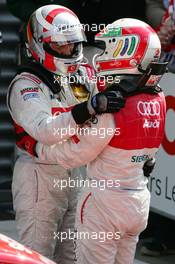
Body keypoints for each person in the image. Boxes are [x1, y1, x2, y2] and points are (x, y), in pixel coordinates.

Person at [35, 18, 167, 263]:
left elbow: (76, 154)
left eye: (108, 48)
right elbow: (150, 158)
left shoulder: (113, 103)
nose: (102, 55)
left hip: (105, 203)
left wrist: (41, 149)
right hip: (138, 200)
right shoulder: (158, 98)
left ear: (124, 49)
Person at [6, 4, 125, 263]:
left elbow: (108, 117)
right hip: (39, 175)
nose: (69, 51)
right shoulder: (26, 83)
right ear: (39, 44)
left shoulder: (85, 72)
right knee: (36, 255)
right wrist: (88, 108)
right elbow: (46, 131)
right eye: (60, 45)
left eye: (73, 44)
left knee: (73, 255)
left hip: (78, 172)